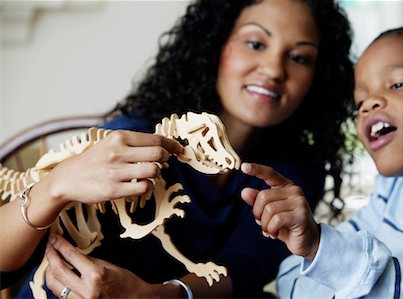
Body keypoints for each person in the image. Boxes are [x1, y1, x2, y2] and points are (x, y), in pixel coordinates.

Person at [0, 0, 354, 298]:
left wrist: (156, 295)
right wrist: (56, 185)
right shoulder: (132, 139)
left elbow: (247, 266)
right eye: (256, 44)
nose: (275, 69)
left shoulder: (293, 171)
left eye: (300, 57)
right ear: (216, 45)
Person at [241, 26, 403, 298]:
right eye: (359, 102)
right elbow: (292, 275)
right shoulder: (389, 192)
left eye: (398, 84)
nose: (367, 105)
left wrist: (320, 249)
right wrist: (316, 249)